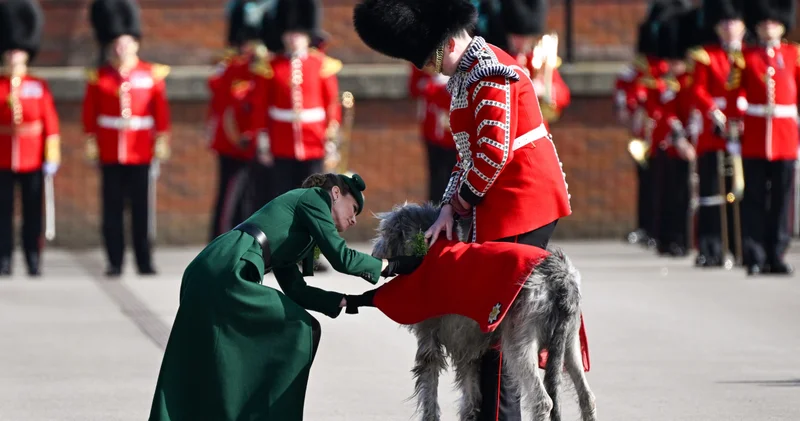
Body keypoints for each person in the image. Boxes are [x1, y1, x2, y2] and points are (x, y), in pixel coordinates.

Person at [353, 0, 572, 419]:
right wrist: (447, 210)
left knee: (500, 323)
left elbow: (493, 153)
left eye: (433, 58)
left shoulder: (490, 71)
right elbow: (467, 156)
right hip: (502, 203)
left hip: (523, 203)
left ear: (450, 40)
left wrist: (460, 202)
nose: (432, 68)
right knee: (488, 321)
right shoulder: (467, 74)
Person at [148, 172, 423, 421]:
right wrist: (391, 266)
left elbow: (295, 289)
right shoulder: (314, 198)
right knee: (297, 329)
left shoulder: (300, 233)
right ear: (336, 193)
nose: (354, 219)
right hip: (227, 268)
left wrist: (349, 301)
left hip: (216, 267)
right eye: (354, 208)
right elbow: (341, 258)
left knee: (215, 354)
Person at [83, 0, 171, 277]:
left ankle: (144, 261)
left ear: (136, 44)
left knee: (142, 212)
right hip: (110, 152)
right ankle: (115, 261)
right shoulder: (100, 77)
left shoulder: (151, 74)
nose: (121, 48)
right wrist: (91, 143)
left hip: (141, 151)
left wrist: (161, 142)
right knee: (112, 212)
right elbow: (90, 115)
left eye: (126, 43)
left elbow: (161, 113)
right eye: (117, 44)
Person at [725, 0, 798, 276]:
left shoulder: (794, 55)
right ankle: (754, 254)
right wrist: (735, 129)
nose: (769, 27)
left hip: (786, 137)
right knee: (754, 198)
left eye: (774, 22)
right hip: (754, 137)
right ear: (757, 25)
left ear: (782, 25)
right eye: (765, 22)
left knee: (782, 201)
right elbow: (733, 95)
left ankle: (776, 253)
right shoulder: (746, 57)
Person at [0, 0, 60, 277]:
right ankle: (4, 259)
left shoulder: (38, 85)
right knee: (3, 214)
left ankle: (33, 258)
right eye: (10, 52)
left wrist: (51, 157)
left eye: (18, 52)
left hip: (32, 157)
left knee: (32, 214)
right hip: (3, 157)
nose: (14, 56)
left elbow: (50, 125)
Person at [687, 0, 746, 267]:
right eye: (724, 23)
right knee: (711, 191)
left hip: (744, 131)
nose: (728, 27)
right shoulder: (707, 55)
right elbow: (698, 90)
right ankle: (711, 247)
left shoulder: (749, 55)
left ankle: (740, 245)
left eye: (733, 22)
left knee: (740, 189)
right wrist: (713, 111)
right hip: (714, 132)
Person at [207, 0, 271, 241]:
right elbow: (227, 99)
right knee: (229, 199)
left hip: (261, 144)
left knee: (254, 200)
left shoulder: (265, 68)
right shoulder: (232, 67)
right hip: (234, 143)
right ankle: (220, 242)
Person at [649, 5, 699, 258]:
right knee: (668, 195)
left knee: (683, 197)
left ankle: (682, 239)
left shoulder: (690, 81)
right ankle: (667, 238)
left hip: (690, 143)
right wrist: (679, 140)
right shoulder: (669, 83)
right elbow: (667, 114)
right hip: (671, 145)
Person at [501, 0, 571, 128]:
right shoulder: (501, 60)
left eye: (522, 37)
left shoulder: (539, 59)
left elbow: (564, 94)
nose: (518, 42)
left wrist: (545, 90)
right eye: (515, 36)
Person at [407, 65, 458, 202]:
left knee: (453, 179)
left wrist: (434, 86)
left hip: (454, 135)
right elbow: (414, 88)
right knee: (436, 179)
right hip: (432, 132)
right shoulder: (425, 65)